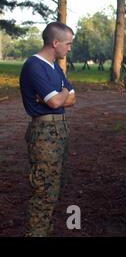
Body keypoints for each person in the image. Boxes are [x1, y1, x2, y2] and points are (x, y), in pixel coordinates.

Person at [19, 22, 76, 237]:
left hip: (59, 129)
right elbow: (54, 102)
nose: (69, 48)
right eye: (68, 44)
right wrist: (60, 96)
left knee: (55, 185)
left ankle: (43, 230)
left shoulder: (55, 66)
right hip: (44, 133)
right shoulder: (34, 65)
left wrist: (58, 95)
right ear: (55, 42)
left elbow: (72, 97)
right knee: (43, 189)